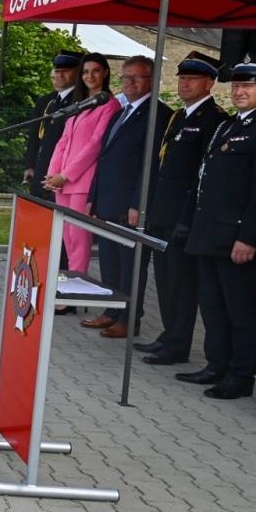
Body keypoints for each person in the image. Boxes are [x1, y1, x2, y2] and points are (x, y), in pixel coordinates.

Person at [174, 58, 256, 399]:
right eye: (236, 86)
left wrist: (250, 237)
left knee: (244, 310)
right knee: (214, 306)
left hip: (239, 238)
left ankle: (241, 376)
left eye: (247, 86)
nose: (239, 91)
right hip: (210, 233)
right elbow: (204, 180)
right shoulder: (228, 125)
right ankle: (217, 364)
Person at [137, 52, 226, 365]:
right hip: (162, 210)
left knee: (181, 283)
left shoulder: (214, 119)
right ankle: (169, 333)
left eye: (192, 78)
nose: (184, 83)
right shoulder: (180, 117)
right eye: (182, 78)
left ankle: (178, 344)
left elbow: (202, 173)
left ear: (210, 83)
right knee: (164, 280)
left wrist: (187, 217)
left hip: (183, 215)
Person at [85, 55, 171, 338]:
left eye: (138, 77)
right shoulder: (121, 110)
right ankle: (111, 311)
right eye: (126, 77)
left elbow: (151, 166)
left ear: (152, 80)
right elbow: (105, 157)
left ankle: (130, 318)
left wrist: (138, 203)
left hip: (129, 206)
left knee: (130, 267)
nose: (131, 83)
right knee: (110, 263)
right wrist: (93, 197)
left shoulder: (158, 115)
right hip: (108, 201)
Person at [43, 52, 120, 274]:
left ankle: (75, 290)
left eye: (95, 71)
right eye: (86, 71)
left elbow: (95, 144)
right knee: (66, 237)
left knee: (78, 238)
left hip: (82, 182)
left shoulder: (109, 104)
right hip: (62, 182)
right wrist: (53, 174)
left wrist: (66, 174)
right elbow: (63, 141)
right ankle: (68, 285)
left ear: (105, 73)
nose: (90, 76)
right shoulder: (81, 103)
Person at [23, 52, 82, 199]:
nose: (60, 75)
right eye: (57, 71)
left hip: (61, 173)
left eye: (66, 71)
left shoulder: (81, 101)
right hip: (41, 168)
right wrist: (30, 164)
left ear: (77, 73)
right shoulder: (47, 101)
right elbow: (35, 135)